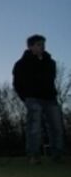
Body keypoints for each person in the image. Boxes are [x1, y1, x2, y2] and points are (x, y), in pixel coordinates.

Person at [13, 34, 65, 164]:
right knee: (34, 127)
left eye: (43, 44)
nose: (42, 47)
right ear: (30, 46)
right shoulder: (21, 64)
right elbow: (17, 83)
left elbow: (51, 80)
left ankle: (57, 154)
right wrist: (25, 98)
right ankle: (33, 155)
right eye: (38, 44)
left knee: (56, 126)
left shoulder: (50, 62)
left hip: (50, 98)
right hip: (32, 98)